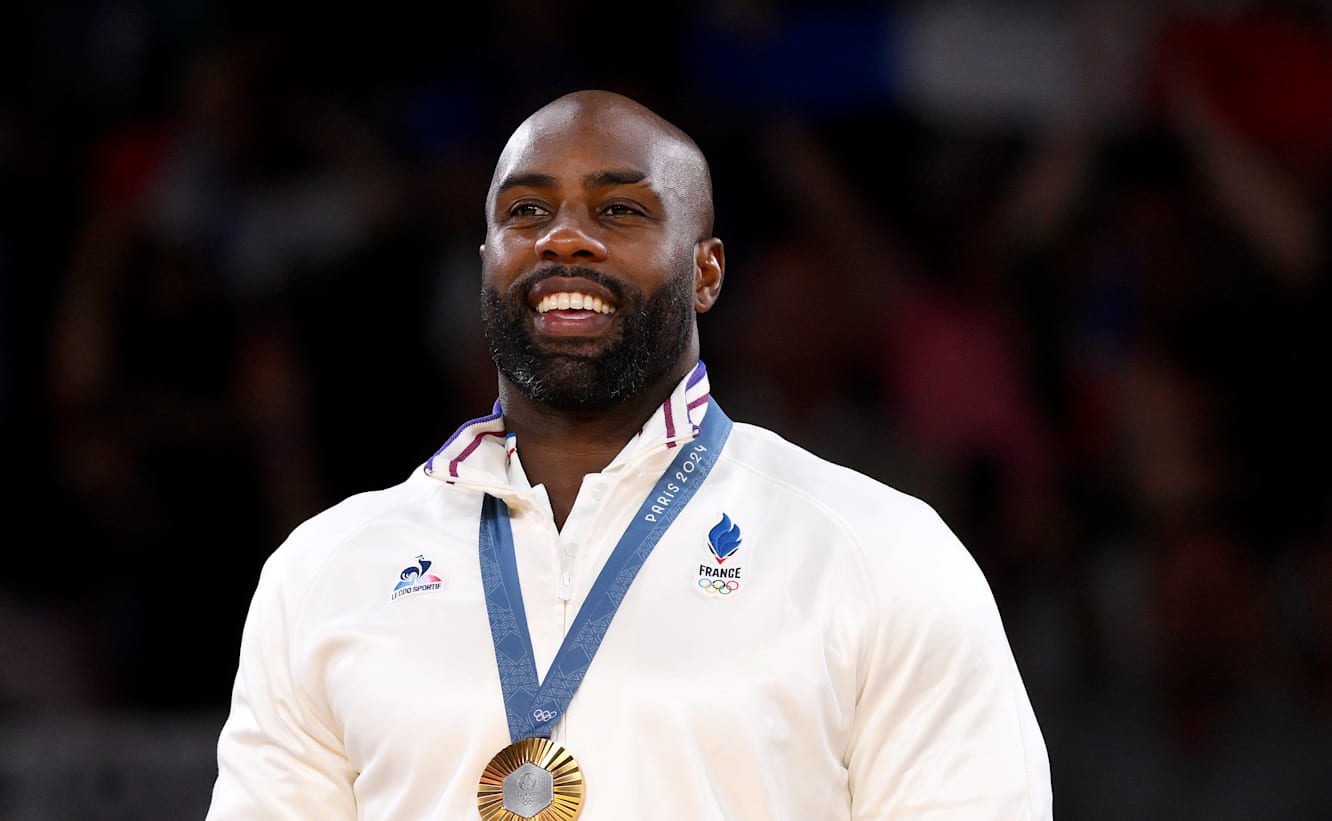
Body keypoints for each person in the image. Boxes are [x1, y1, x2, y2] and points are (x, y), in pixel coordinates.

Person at [204, 88, 1053, 820]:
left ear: (706, 273)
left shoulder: (882, 554)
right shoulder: (324, 570)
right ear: (485, 263)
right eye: (526, 212)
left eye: (620, 210)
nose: (564, 238)